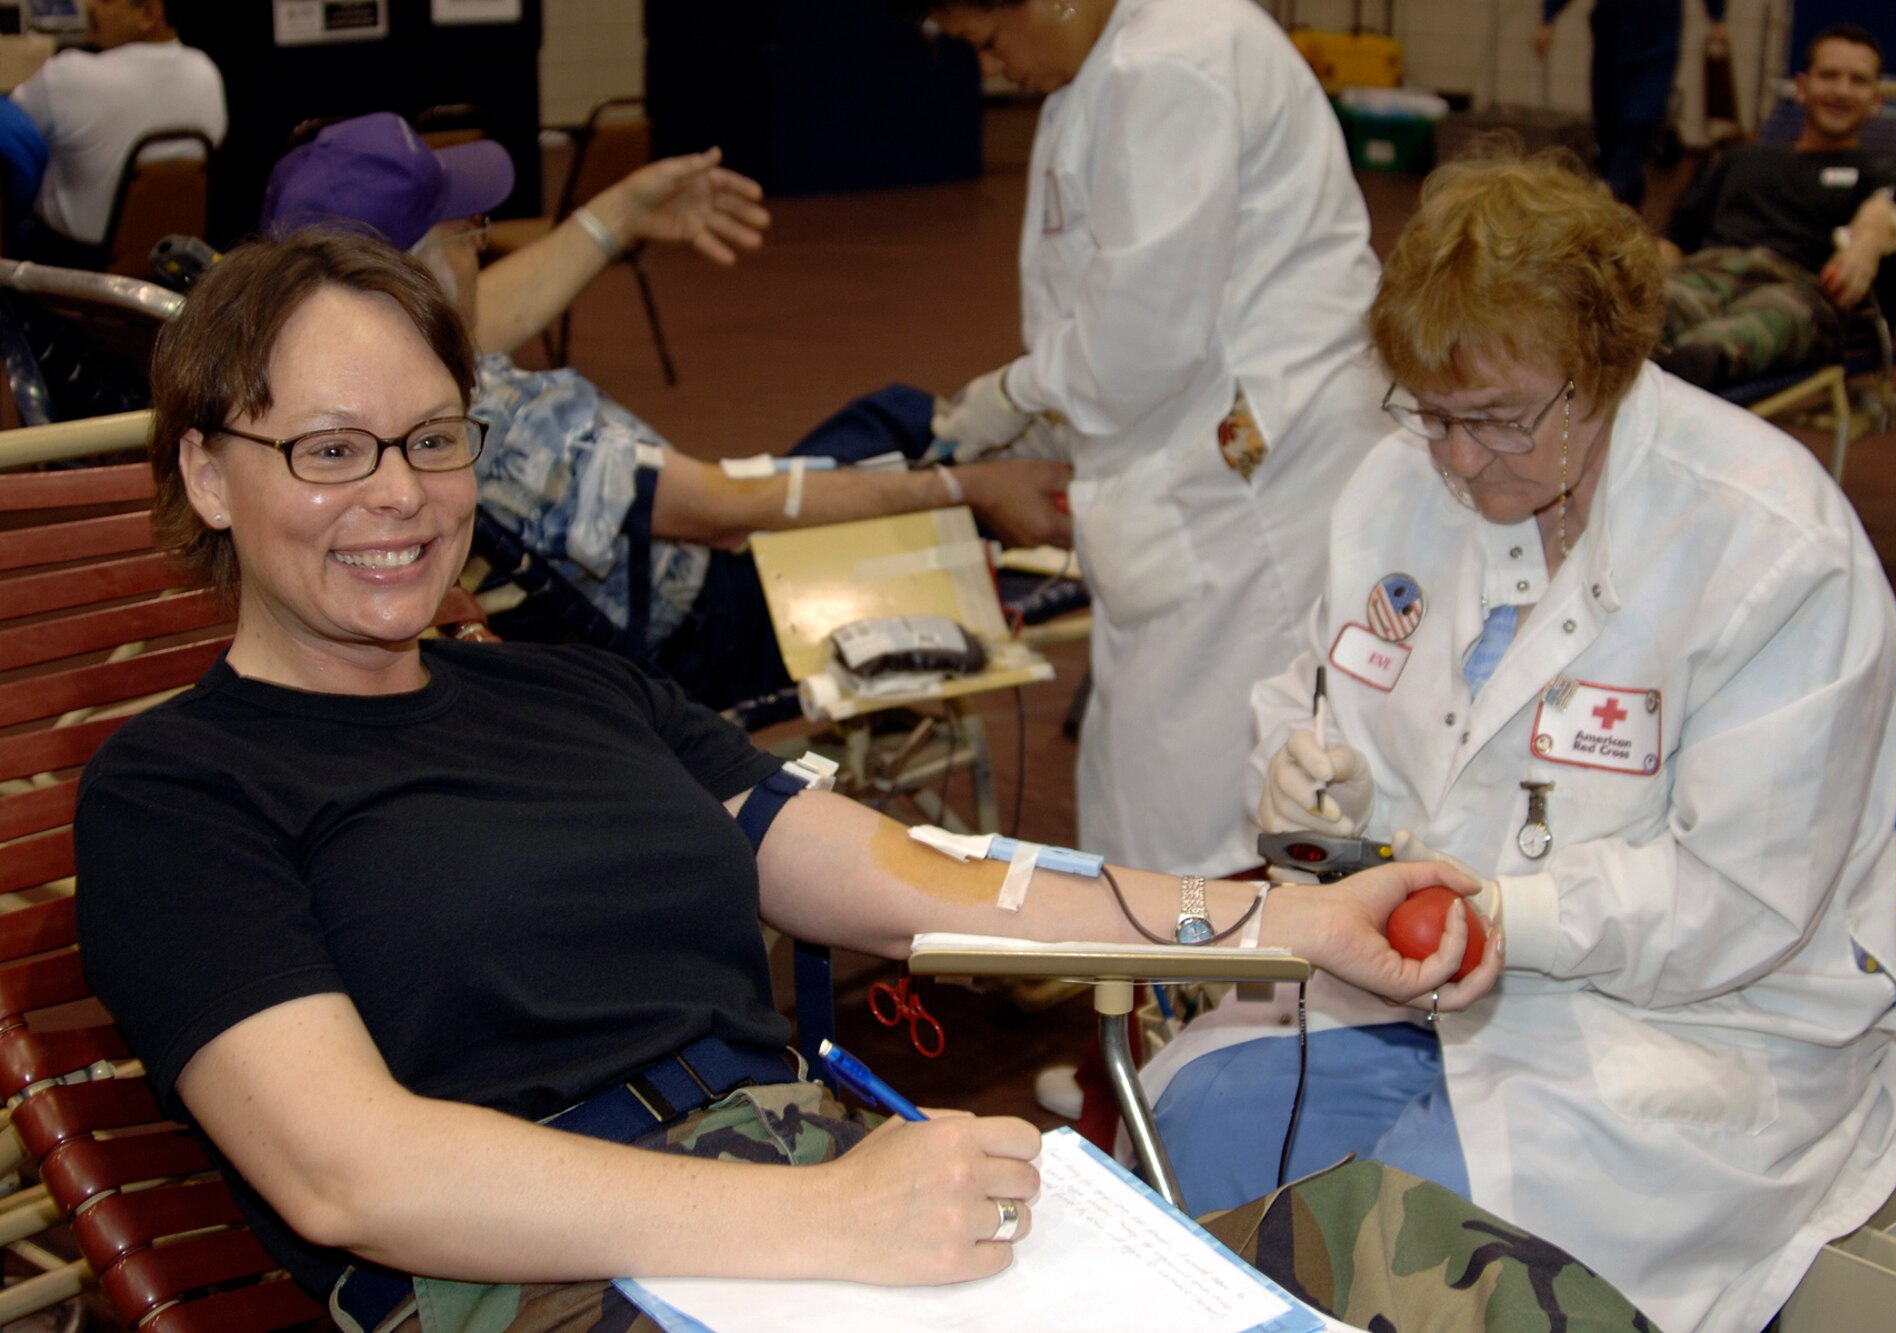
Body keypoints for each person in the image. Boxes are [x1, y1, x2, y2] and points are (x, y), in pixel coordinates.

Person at [71, 226, 1668, 1333]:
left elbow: (915, 880)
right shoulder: (181, 792)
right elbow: (355, 1173)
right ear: (209, 471)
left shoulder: (578, 696)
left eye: (433, 440)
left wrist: (1288, 923)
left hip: (834, 1184)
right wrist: (823, 1220)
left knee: (1432, 1268)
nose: (399, 498)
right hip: (570, 1278)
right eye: (332, 450)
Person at [1139, 148, 1896, 1333]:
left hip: (1688, 1033)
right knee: (1188, 1121)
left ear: (1603, 369)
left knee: (1402, 1238)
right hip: (1414, 989)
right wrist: (1306, 779)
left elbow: (1742, 904)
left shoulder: (1768, 549)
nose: (1455, 459)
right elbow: (1321, 687)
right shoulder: (1400, 485)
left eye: (1498, 420)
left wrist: (1508, 916)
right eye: (1433, 415)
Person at [260, 113, 1073, 710]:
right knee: (899, 430)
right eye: (469, 232)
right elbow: (726, 512)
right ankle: (1056, 481)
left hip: (644, 592)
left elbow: (477, 310)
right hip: (704, 626)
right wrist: (968, 488)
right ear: (419, 276)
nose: (483, 245)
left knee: (882, 423)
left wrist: (616, 217)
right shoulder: (496, 423)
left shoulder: (339, 377)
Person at [889, 0, 1387, 881]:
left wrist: (1020, 391)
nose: (995, 66)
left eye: (990, 39)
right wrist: (1042, 406)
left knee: (1211, 775)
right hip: (1187, 449)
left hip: (1258, 463)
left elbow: (1140, 340)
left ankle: (1215, 982)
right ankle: (1155, 964)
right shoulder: (1110, 63)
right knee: (1144, 751)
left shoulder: (1169, 62)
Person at [1653, 24, 1896, 390]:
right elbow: (1674, 242)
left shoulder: (1880, 177)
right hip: (1709, 275)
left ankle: (1675, 381)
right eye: (1829, 75)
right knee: (1624, 318)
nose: (1841, 91)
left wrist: (1871, 233)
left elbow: (1893, 209)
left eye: (1857, 81)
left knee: (1719, 344)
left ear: (1876, 99)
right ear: (1802, 87)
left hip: (1798, 294)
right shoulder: (1742, 161)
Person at [8, 0, 224, 260]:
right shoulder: (207, 73)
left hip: (72, 268)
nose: (90, 7)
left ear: (148, 13)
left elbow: (8, 133)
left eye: (106, 0)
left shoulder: (67, 77)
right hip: (173, 267)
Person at [1534, 0, 1728, 209]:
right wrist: (1548, 19)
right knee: (1609, 128)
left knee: (1639, 121)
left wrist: (1717, 18)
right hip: (1612, 39)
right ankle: (1626, 201)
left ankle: (1610, 201)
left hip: (1657, 37)